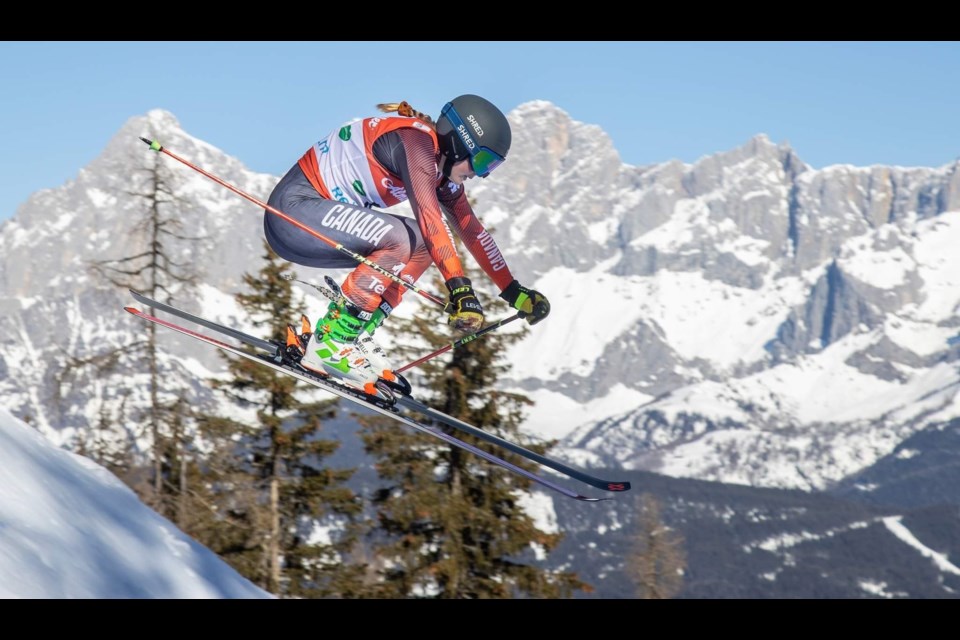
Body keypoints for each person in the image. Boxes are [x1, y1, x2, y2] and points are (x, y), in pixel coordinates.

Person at [263, 94, 550, 393]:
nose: (480, 174)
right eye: (480, 161)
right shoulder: (415, 144)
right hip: (291, 214)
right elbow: (430, 219)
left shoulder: (441, 169)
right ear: (457, 142)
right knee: (403, 239)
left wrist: (513, 291)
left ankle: (354, 333)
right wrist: (460, 288)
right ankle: (331, 342)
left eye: (490, 167)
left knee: (420, 246)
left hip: (312, 224)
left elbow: (472, 231)